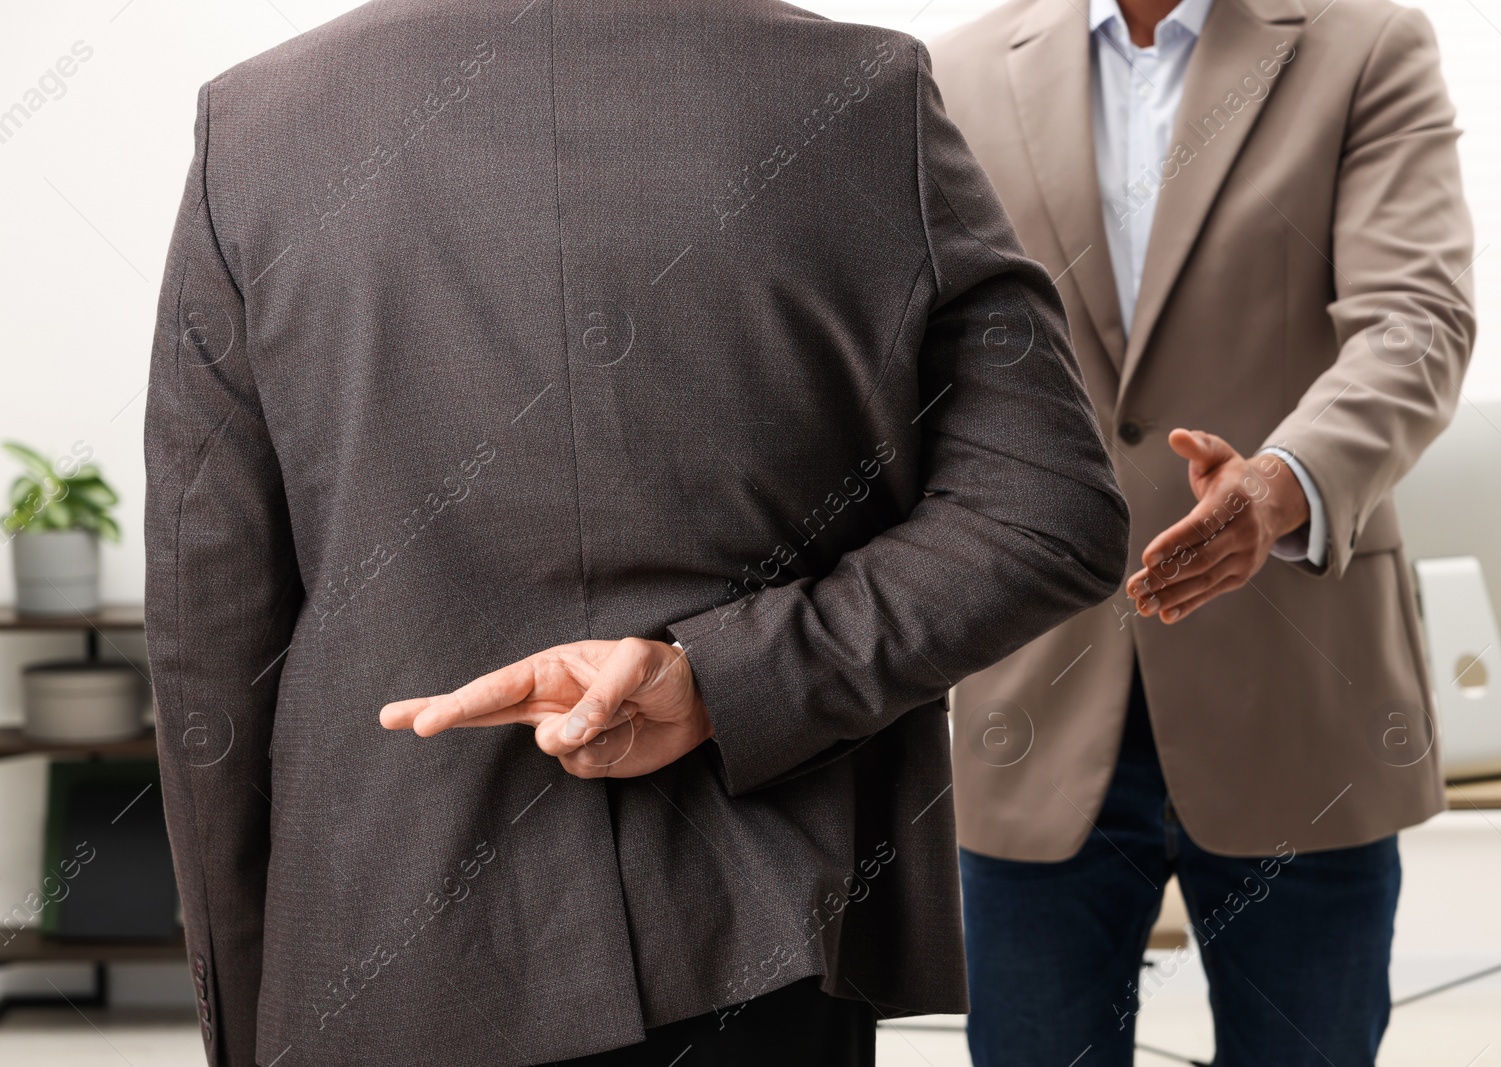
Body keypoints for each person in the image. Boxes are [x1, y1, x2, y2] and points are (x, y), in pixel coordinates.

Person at [143, 1, 1130, 1065]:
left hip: (379, 948)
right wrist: (724, 680)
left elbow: (212, 627)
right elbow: (1046, 510)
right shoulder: (863, 93)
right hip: (751, 933)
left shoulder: (256, 122)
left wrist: (249, 1003)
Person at [930, 0, 1475, 1063]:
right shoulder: (956, 70)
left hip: (1297, 693)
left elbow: (1416, 319)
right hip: (1031, 691)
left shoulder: (1366, 45)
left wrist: (1279, 484)